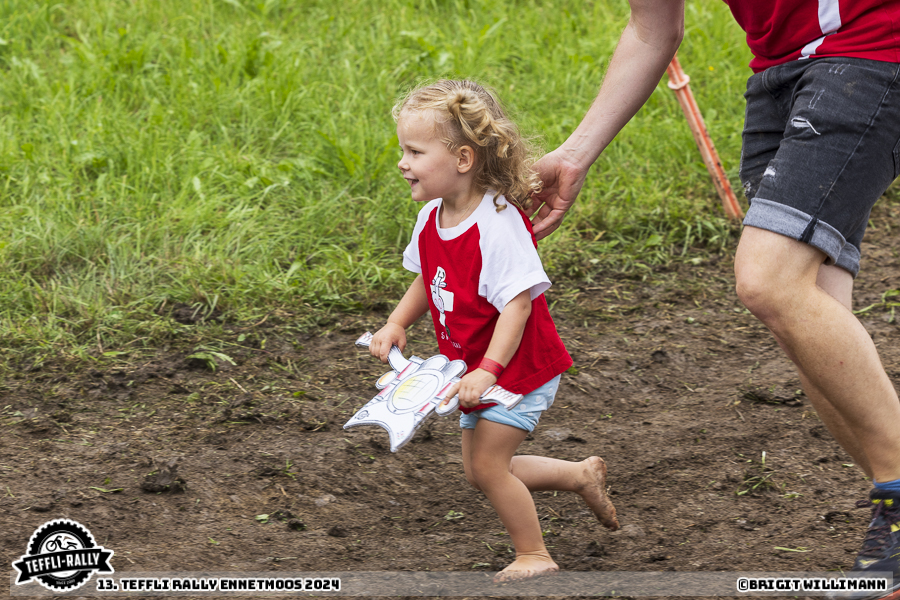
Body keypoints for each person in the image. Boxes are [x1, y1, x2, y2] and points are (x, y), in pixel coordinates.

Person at [527, 0, 900, 590]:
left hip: (870, 53)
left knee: (770, 279)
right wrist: (574, 155)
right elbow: (653, 29)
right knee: (812, 317)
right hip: (778, 78)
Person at [369, 79, 620, 582]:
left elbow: (518, 306)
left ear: (463, 159)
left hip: (517, 369)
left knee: (486, 467)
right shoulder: (430, 218)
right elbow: (429, 277)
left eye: (415, 151)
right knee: (480, 470)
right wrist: (398, 322)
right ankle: (579, 475)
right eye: (404, 150)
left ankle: (535, 555)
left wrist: (489, 370)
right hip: (475, 370)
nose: (403, 162)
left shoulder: (497, 225)